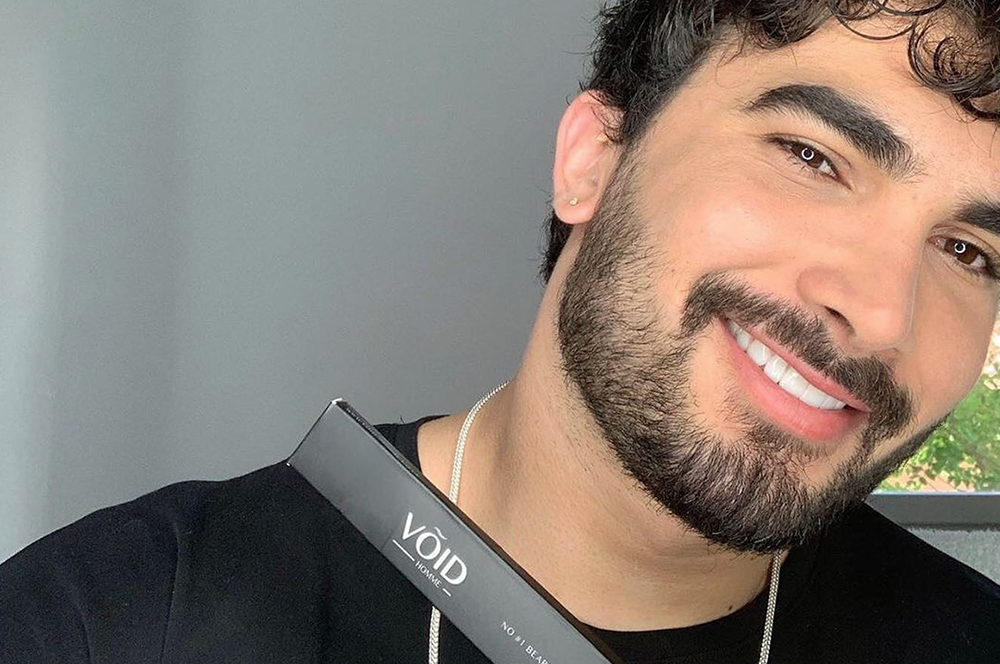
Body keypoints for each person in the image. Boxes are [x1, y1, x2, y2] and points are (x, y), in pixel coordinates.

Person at [3, 1, 1000, 662]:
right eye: (812, 156)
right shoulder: (108, 622)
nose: (882, 314)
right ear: (592, 161)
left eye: (969, 252)